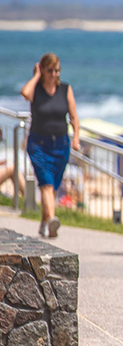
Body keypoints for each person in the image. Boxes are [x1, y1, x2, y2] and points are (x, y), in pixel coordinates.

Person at [20, 52, 81, 238]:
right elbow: (25, 93)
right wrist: (37, 76)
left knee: (53, 187)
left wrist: (76, 137)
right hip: (39, 144)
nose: (54, 74)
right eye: (50, 70)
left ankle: (45, 222)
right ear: (42, 69)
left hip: (61, 144)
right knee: (46, 184)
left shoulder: (65, 89)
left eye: (57, 70)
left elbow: (73, 115)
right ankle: (53, 220)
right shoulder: (36, 89)